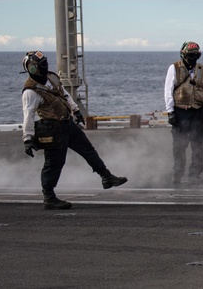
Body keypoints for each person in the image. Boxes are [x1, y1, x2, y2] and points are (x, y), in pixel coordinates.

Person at [20, 50, 127, 210]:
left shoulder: (51, 78)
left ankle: (106, 177)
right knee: (54, 163)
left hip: (67, 124)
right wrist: (27, 139)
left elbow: (64, 94)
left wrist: (76, 110)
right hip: (52, 130)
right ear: (33, 68)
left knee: (88, 150)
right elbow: (28, 115)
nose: (45, 67)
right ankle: (48, 197)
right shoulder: (30, 91)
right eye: (41, 65)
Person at [164, 41, 203, 185]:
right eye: (190, 55)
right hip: (180, 112)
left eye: (195, 55)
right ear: (184, 54)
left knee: (198, 145)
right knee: (179, 146)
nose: (193, 58)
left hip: (197, 112)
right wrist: (170, 112)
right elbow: (168, 91)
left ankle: (194, 175)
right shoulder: (174, 68)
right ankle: (177, 174)